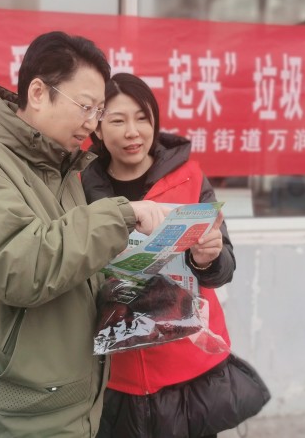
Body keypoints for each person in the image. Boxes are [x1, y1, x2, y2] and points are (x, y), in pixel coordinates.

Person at [0, 32, 169, 437]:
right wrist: (120, 216)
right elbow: (20, 268)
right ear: (39, 93)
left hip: (67, 404)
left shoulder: (59, 167)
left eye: (99, 110)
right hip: (12, 414)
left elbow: (69, 263)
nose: (92, 123)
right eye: (86, 107)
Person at [82, 73, 237, 438]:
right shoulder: (80, 188)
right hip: (112, 375)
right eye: (117, 120)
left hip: (186, 371)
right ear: (98, 128)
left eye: (142, 118)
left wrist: (207, 257)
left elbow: (224, 266)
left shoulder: (189, 177)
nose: (132, 132)